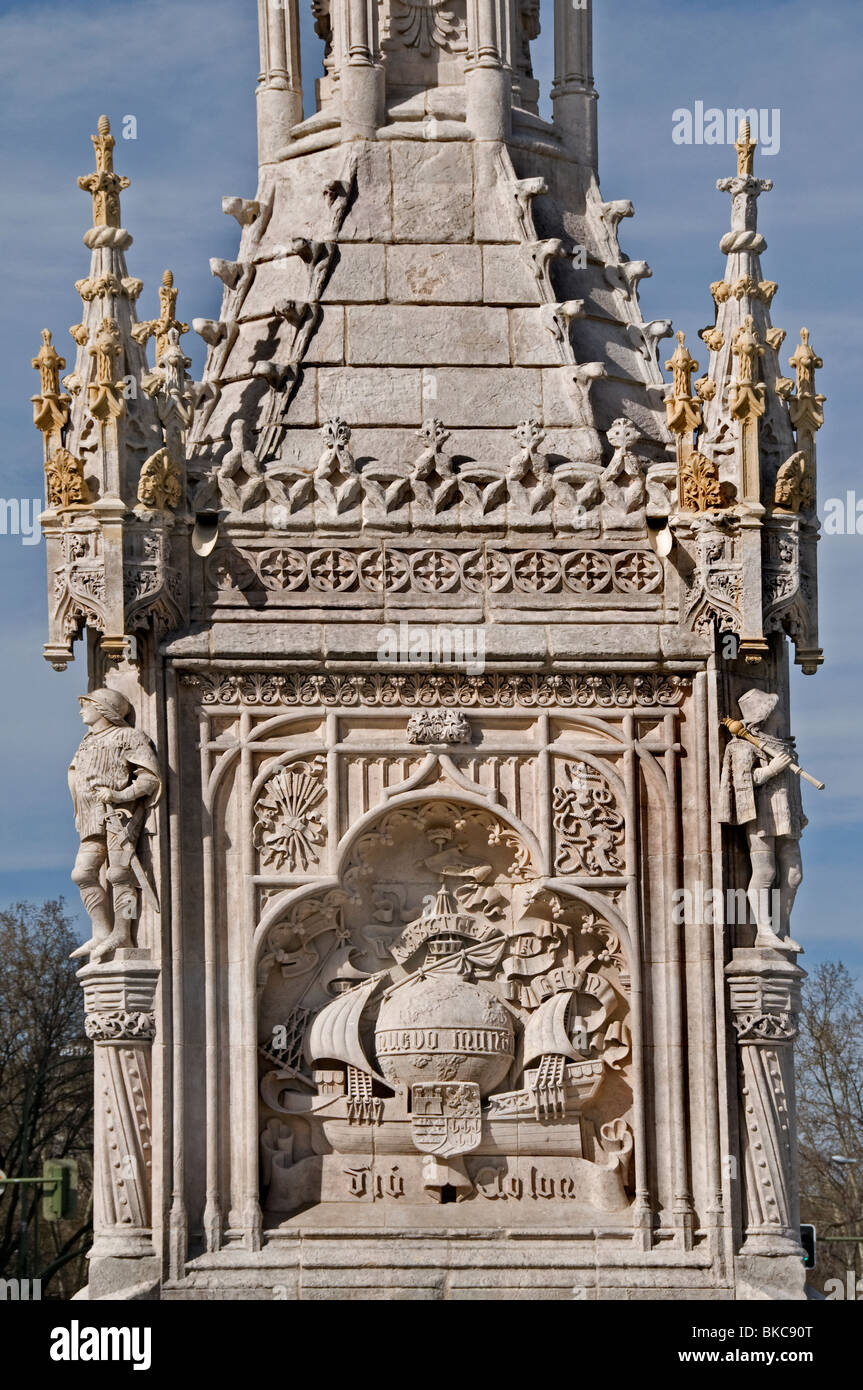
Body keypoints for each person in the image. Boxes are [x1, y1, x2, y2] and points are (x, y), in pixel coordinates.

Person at [69, 688, 161, 961]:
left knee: (119, 873)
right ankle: (101, 931)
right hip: (90, 817)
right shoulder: (86, 741)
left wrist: (119, 795)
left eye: (87, 705)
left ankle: (123, 932)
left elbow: (149, 779)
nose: (81, 710)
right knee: (82, 874)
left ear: (104, 708)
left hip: (119, 816)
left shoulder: (129, 737)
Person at [718, 688, 805, 951]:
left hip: (787, 814)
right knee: (766, 871)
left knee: (794, 874)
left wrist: (799, 813)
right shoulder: (742, 744)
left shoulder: (783, 746)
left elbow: (792, 785)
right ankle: (763, 931)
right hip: (762, 814)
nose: (782, 715)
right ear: (763, 716)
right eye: (776, 710)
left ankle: (780, 928)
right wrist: (770, 770)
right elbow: (742, 782)